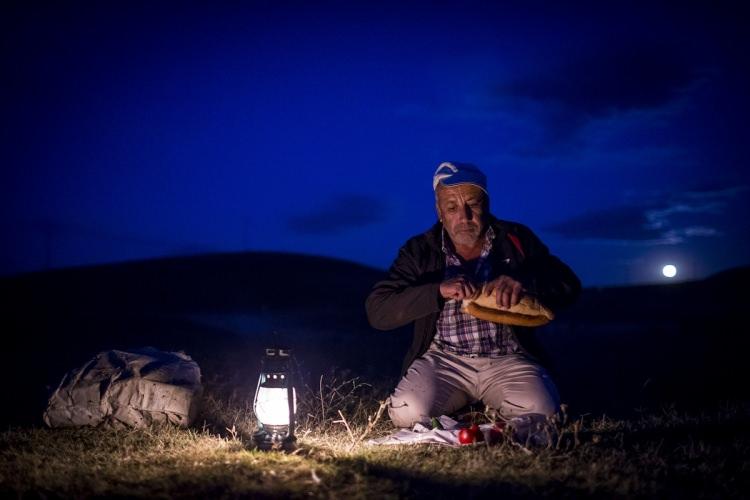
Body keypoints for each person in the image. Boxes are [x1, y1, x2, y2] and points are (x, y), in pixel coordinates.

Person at [365, 162, 581, 430]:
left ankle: (475, 414)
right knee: (407, 412)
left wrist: (522, 282)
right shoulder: (419, 251)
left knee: (544, 414)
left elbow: (568, 285)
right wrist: (438, 290)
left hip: (507, 359)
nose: (464, 216)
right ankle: (474, 414)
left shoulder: (516, 239)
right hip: (445, 360)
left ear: (487, 204)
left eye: (473, 204)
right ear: (439, 211)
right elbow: (378, 311)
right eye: (452, 207)